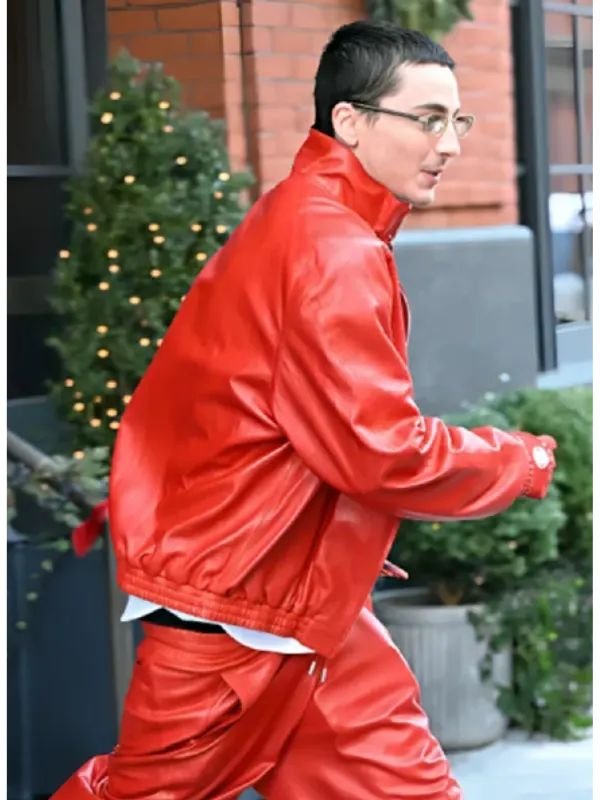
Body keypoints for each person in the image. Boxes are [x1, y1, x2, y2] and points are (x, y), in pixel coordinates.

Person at [52, 20, 557, 800]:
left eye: (458, 120)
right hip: (240, 599)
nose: (451, 143)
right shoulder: (331, 246)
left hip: (285, 588)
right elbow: (381, 450)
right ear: (350, 121)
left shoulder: (311, 219)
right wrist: (518, 459)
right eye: (427, 119)